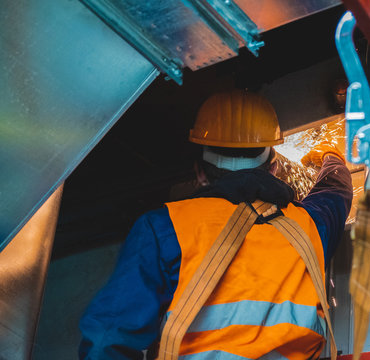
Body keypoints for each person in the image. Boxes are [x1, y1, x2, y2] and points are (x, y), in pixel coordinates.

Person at [79, 90, 353, 360]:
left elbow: (107, 340)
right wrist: (331, 158)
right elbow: (336, 192)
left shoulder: (164, 227)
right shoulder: (309, 227)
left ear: (199, 173)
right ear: (274, 168)